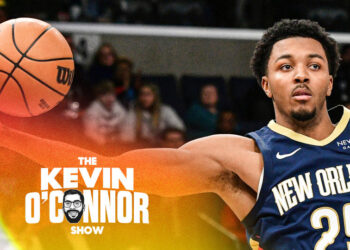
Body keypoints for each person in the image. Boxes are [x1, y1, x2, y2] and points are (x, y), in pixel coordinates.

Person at [0, 19, 348, 249]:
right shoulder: (241, 158)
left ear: (330, 82)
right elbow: (106, 169)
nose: (301, 75)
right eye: (286, 66)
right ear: (266, 85)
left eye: (314, 65)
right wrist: (9, 135)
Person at [121, 83, 185, 145]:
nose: (145, 98)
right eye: (142, 95)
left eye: (148, 95)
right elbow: (126, 137)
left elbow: (179, 128)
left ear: (155, 96)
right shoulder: (133, 113)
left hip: (162, 146)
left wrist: (164, 135)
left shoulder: (165, 110)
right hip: (141, 148)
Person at [83, 80, 126, 146]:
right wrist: (105, 143)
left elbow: (126, 130)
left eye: (112, 94)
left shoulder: (119, 108)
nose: (109, 98)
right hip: (98, 146)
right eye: (105, 95)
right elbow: (90, 133)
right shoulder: (92, 110)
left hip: (117, 145)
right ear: (99, 96)